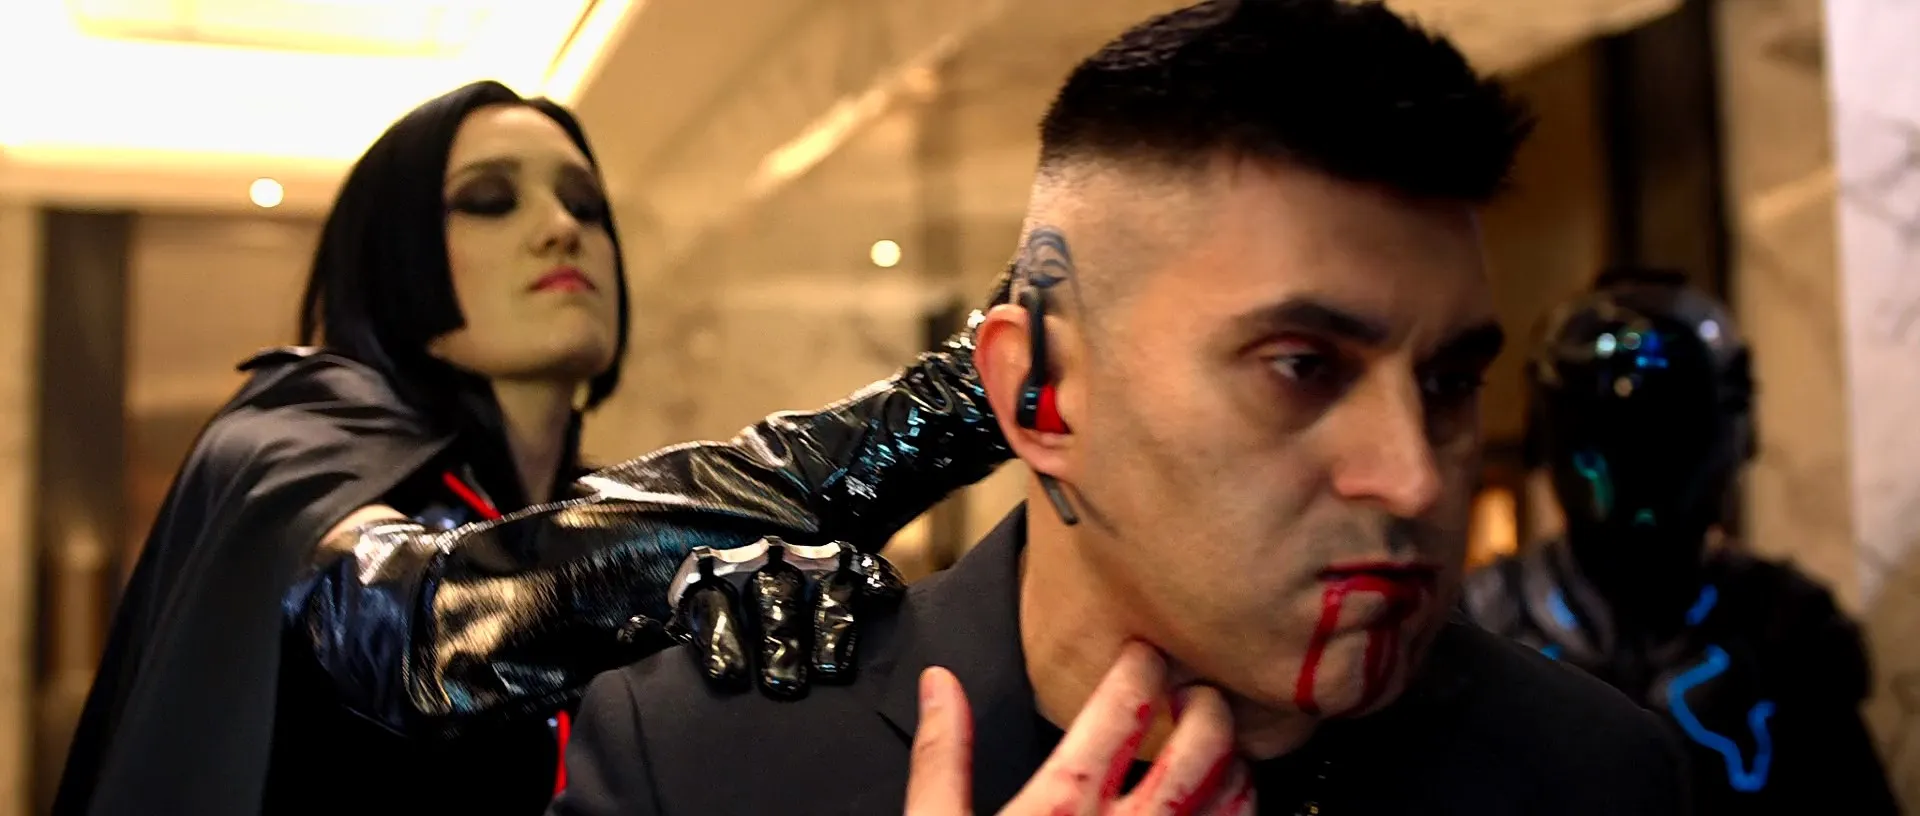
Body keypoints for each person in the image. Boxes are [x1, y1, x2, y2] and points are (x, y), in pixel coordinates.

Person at [548, 2, 1691, 813]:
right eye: (1302, 366)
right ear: (1041, 396)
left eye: (1448, 381)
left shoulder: (1596, 774)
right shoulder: (702, 763)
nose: (1416, 475)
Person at [54, 81, 1011, 816]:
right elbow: (411, 620)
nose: (561, 228)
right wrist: (952, 402)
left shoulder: (588, 513)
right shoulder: (285, 431)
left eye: (585, 204)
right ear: (393, 250)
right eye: (488, 199)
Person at [1462, 269, 1901, 814]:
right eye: (1609, 435)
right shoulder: (1481, 622)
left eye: (1671, 435)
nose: (1641, 471)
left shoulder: (1787, 629)